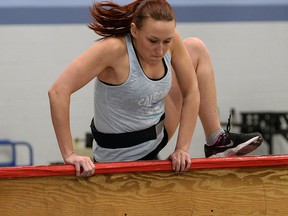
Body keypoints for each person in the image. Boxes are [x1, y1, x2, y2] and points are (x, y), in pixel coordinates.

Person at [48, 0, 263, 177]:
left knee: (196, 47)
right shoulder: (113, 50)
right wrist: (69, 154)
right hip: (117, 154)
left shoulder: (170, 42)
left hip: (157, 135)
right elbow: (58, 91)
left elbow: (191, 91)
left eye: (166, 41)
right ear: (134, 30)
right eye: (152, 41)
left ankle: (216, 142)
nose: (160, 49)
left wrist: (182, 148)